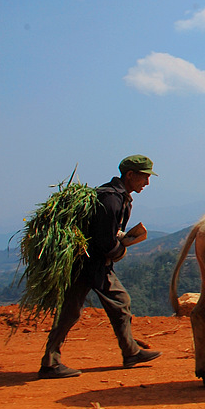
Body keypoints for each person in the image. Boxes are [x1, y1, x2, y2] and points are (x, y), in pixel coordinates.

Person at [38, 154, 163, 379]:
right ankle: (50, 364)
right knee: (73, 311)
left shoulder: (115, 196)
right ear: (130, 175)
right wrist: (121, 249)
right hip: (88, 265)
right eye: (144, 177)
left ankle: (130, 352)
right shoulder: (112, 200)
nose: (147, 183)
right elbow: (104, 242)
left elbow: (105, 233)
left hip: (92, 264)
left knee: (116, 303)